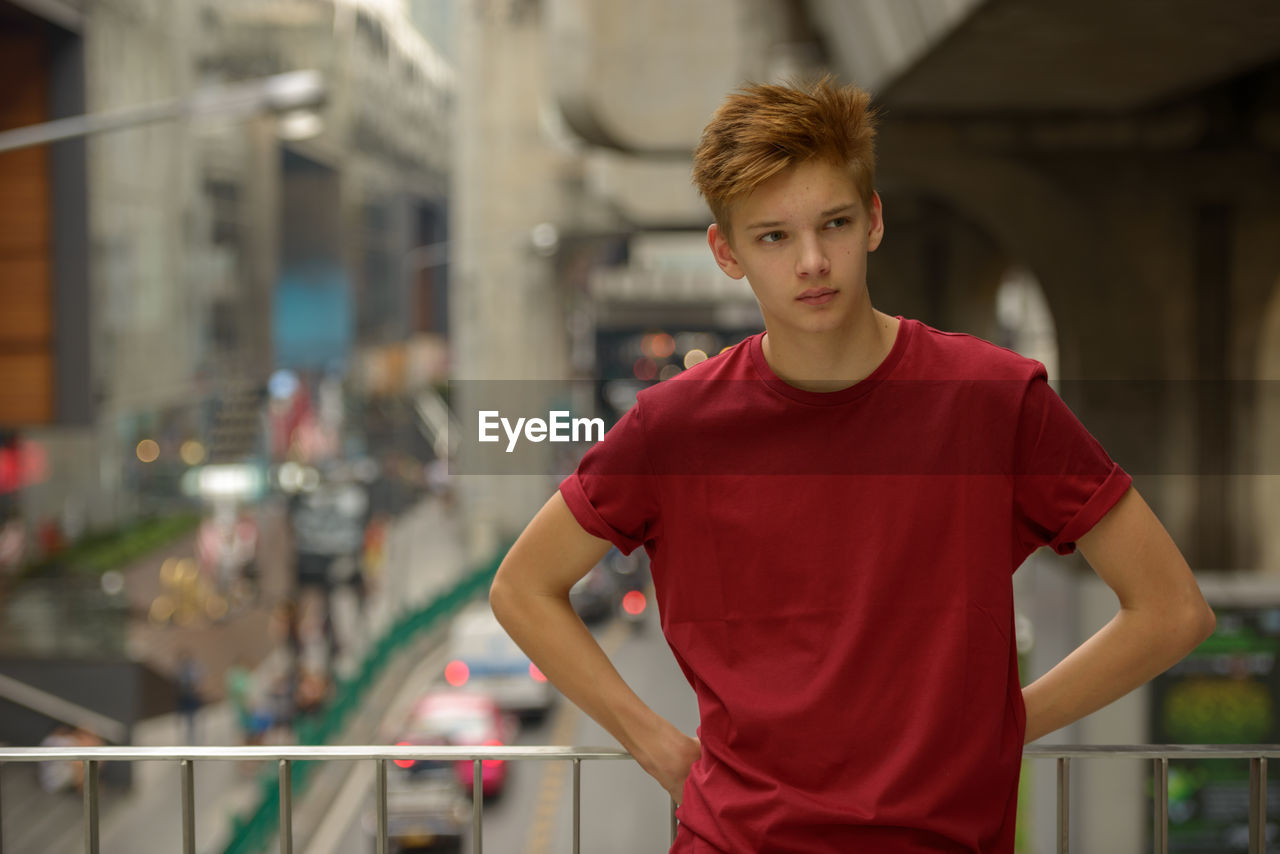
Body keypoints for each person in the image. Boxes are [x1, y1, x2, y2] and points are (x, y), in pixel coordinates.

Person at [488, 77, 1216, 853]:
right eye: (773, 237)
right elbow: (523, 588)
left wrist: (1001, 724)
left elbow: (1172, 610)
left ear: (872, 219)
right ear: (726, 252)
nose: (811, 262)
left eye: (832, 224)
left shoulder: (993, 399)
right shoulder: (674, 427)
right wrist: (656, 745)